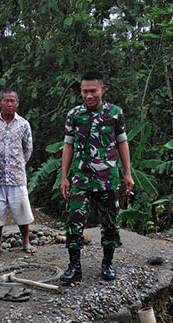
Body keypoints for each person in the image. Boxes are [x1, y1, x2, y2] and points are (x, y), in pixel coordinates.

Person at [59, 72, 135, 284]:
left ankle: (107, 263)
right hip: (81, 177)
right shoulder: (74, 114)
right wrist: (64, 176)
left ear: (103, 89)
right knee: (74, 221)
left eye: (93, 91)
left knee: (110, 223)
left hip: (107, 178)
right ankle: (74, 267)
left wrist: (127, 173)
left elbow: (122, 142)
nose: (89, 95)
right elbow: (68, 145)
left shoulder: (115, 113)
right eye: (85, 91)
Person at [0, 88, 35, 255]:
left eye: (13, 101)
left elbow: (28, 148)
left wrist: (18, 164)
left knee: (22, 209)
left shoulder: (24, 124)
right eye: (6, 100)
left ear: (17, 103)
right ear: (0, 103)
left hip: (17, 176)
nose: (10, 104)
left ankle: (26, 242)